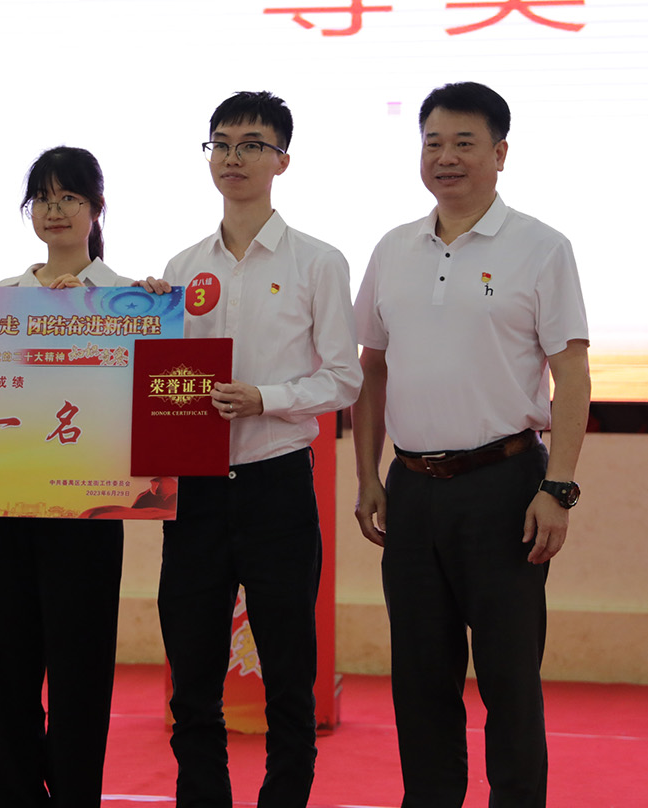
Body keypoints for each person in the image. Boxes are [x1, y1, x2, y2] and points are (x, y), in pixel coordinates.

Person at [351, 82, 590, 808]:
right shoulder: (393, 249)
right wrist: (369, 476)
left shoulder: (540, 247)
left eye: (464, 143)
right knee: (421, 679)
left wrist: (558, 488)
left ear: (500, 153)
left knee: (508, 679)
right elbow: (372, 369)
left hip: (505, 488)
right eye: (433, 143)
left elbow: (572, 373)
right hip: (412, 489)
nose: (445, 157)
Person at [139, 92, 361, 808]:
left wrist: (265, 397)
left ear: (281, 160)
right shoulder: (180, 266)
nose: (233, 158)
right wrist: (143, 320)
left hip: (276, 487)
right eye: (221, 144)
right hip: (197, 493)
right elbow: (162, 383)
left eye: (252, 144)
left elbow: (344, 378)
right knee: (192, 681)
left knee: (290, 678)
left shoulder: (317, 262)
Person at [0, 146, 128, 808]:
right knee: (1, 675)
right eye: (43, 198)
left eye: (70, 198)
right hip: (0, 515)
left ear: (97, 209)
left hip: (87, 518)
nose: (55, 211)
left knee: (80, 675)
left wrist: (112, 313)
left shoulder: (133, 299)